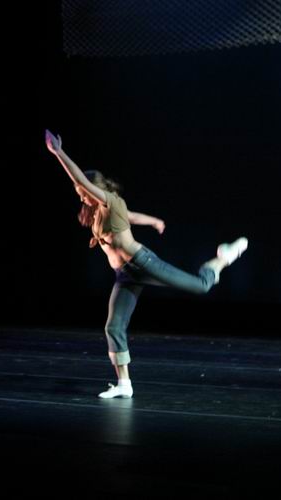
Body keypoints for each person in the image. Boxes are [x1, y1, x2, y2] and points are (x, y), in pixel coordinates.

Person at [44, 130, 248, 398]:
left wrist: (59, 153)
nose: (81, 196)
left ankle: (223, 258)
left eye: (83, 192)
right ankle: (124, 385)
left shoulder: (110, 201)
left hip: (142, 263)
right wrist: (154, 221)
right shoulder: (98, 213)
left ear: (95, 189)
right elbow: (130, 216)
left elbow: (80, 178)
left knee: (201, 287)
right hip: (125, 275)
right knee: (114, 327)